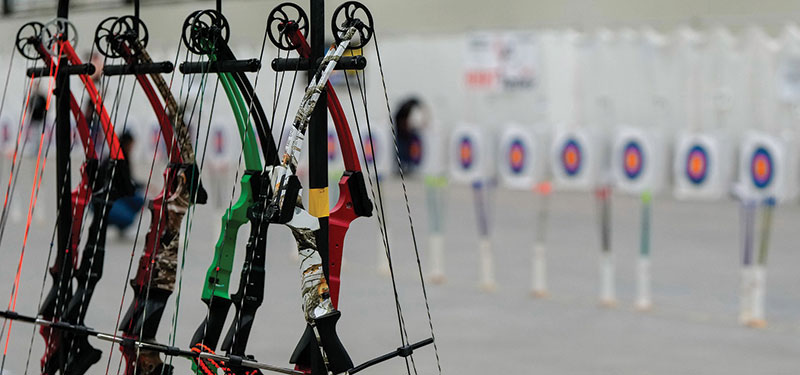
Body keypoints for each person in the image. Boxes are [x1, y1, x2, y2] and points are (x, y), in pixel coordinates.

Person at [106, 132, 145, 238]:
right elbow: (123, 184)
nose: (132, 148)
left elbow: (127, 181)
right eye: (131, 145)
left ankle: (122, 227)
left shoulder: (125, 159)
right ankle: (105, 222)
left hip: (119, 195)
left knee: (140, 199)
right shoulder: (114, 160)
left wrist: (143, 186)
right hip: (108, 199)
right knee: (128, 217)